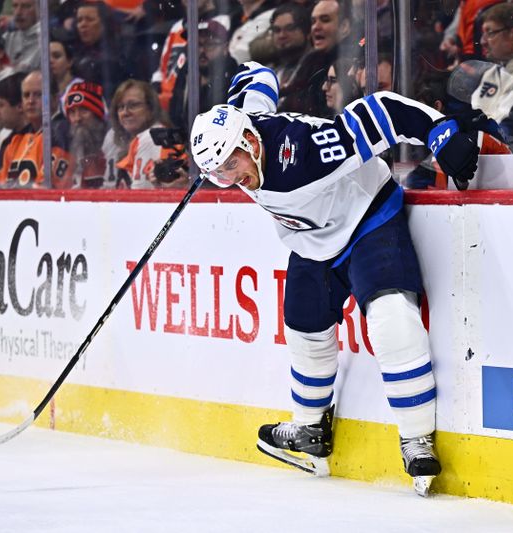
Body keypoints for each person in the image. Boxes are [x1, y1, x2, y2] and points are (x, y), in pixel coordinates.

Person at [189, 63, 481, 495]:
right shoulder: (242, 127)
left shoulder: (307, 152)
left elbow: (382, 113)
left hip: (368, 221)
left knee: (392, 320)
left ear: (250, 143)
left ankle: (416, 437)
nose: (231, 180)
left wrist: (440, 131)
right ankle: (309, 429)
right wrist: (245, 73)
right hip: (310, 239)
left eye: (231, 165)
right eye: (217, 174)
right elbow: (260, 80)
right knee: (304, 330)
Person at [0, 70, 72, 188]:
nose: (30, 101)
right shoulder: (16, 140)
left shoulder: (61, 132)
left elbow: (46, 189)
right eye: (26, 95)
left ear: (55, 99)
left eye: (38, 95)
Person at [64, 81, 108, 188]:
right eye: (72, 113)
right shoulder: (65, 151)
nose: (77, 119)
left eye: (84, 110)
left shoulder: (113, 144)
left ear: (97, 114)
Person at [4, 0, 41, 72]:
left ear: (39, 9)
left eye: (26, 6)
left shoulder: (47, 39)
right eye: (15, 6)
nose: (18, 12)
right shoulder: (8, 36)